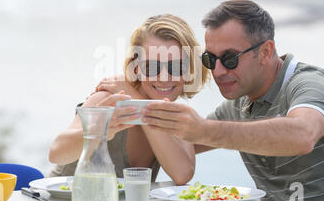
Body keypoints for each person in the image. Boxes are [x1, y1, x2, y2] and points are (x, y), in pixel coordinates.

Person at [141, 0, 324, 201]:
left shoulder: (312, 84)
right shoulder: (239, 105)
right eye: (210, 60)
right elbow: (181, 145)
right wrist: (133, 94)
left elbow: (302, 135)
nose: (219, 71)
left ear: (265, 52)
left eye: (230, 59)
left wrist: (205, 130)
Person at [49, 14, 210, 185]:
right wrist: (99, 130)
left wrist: (139, 103)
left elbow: (182, 174)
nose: (164, 77)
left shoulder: (177, 115)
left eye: (176, 67)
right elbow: (56, 153)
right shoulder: (109, 98)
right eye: (151, 66)